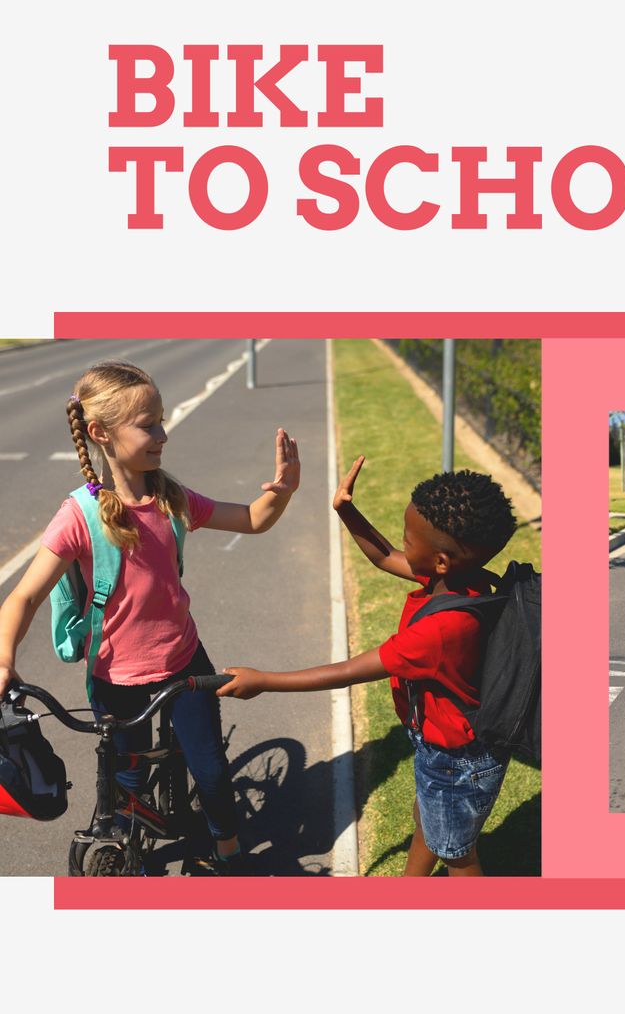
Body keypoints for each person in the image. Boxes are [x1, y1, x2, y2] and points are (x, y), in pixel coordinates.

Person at [0, 360, 300, 874]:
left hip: (184, 665)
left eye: (161, 420)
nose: (163, 433)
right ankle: (132, 837)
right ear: (101, 433)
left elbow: (251, 519)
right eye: (148, 424)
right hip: (115, 677)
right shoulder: (80, 515)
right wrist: (3, 658)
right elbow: (23, 596)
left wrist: (283, 490)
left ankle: (227, 850)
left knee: (209, 772)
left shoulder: (171, 498)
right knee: (127, 777)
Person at [218, 456, 519, 878]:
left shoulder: (443, 629)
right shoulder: (462, 583)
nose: (401, 546)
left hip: (457, 758)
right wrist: (346, 510)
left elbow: (349, 670)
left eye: (407, 538)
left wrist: (264, 680)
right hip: (443, 745)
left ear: (441, 561)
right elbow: (383, 557)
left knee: (456, 853)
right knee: (429, 821)